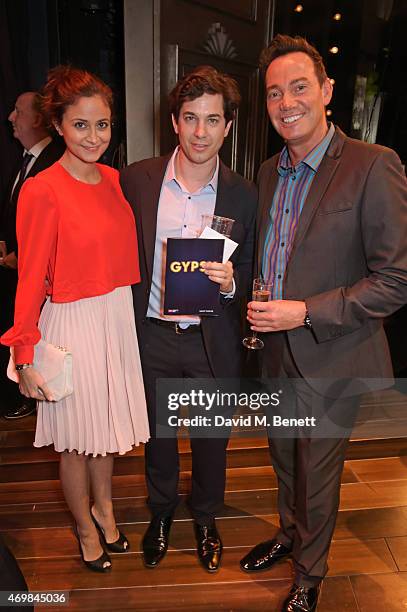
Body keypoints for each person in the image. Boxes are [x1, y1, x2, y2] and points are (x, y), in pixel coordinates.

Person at [239, 35, 407, 612]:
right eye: (275, 93)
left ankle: (310, 575)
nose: (287, 102)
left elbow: (395, 281)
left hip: (334, 351)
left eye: (300, 87)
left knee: (319, 470)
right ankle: (290, 535)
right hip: (275, 349)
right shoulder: (266, 172)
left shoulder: (373, 164)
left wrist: (305, 311)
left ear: (328, 91)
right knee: (285, 456)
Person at [1, 66, 150, 573]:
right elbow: (29, 278)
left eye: (103, 124)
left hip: (115, 317)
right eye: (82, 125)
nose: (94, 136)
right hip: (71, 321)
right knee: (73, 439)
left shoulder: (114, 180)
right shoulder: (42, 189)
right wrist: (23, 353)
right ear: (58, 125)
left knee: (105, 433)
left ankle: (106, 511)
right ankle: (85, 528)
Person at [120, 66, 257, 572]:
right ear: (175, 122)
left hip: (210, 336)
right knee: (158, 436)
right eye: (191, 118)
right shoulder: (137, 179)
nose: (201, 132)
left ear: (228, 127)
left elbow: (251, 269)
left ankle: (205, 517)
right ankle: (161, 513)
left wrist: (232, 284)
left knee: (211, 439)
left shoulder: (244, 194)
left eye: (213, 120)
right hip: (152, 333)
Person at [0, 91, 64, 420]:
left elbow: (52, 229)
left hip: (45, 282)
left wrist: (21, 256)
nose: (11, 118)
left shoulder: (53, 163)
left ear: (40, 119)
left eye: (18, 111)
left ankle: (31, 393)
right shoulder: (23, 160)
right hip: (17, 271)